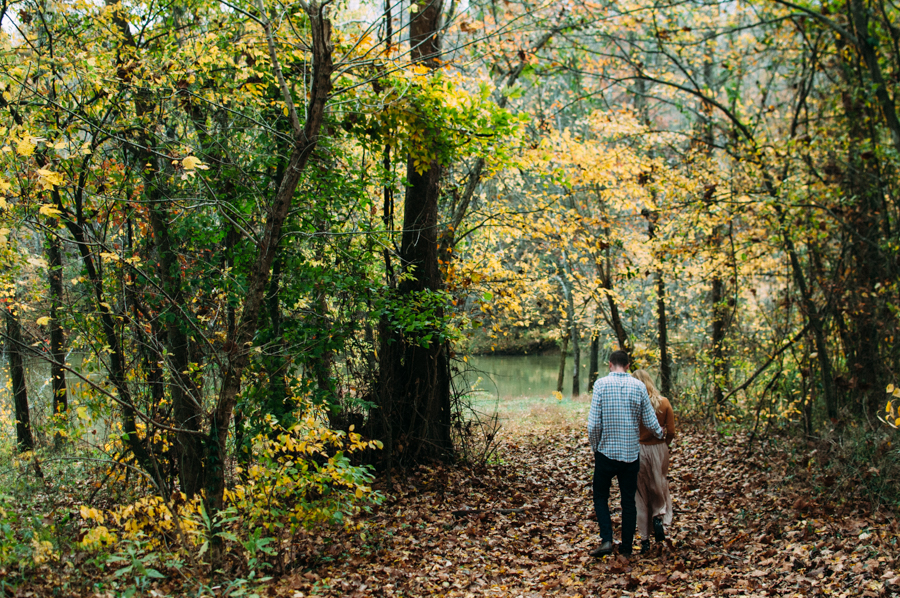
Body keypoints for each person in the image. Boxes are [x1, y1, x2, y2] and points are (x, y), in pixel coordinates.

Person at [587, 351, 664, 557]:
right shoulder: (639, 386)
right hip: (630, 454)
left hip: (606, 452)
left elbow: (594, 424)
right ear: (628, 366)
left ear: (610, 364)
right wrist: (660, 434)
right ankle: (627, 548)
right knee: (628, 501)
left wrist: (595, 447)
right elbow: (650, 420)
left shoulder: (600, 385)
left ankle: (606, 538)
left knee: (600, 496)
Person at [632, 369, 676, 554]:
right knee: (659, 483)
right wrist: (664, 444)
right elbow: (672, 431)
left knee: (640, 493)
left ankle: (644, 540)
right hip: (659, 448)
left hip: (639, 449)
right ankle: (659, 515)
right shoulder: (664, 403)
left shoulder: (633, 404)